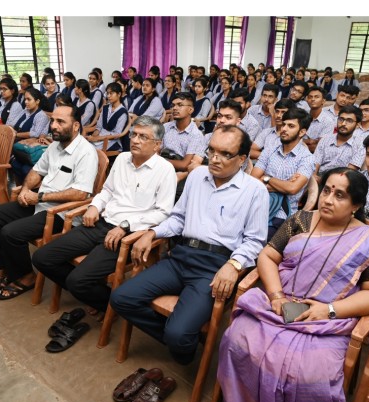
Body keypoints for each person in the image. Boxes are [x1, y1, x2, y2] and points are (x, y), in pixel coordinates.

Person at [217, 166, 369, 402]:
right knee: (235, 341)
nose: (327, 200)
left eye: (340, 196)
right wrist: (276, 296)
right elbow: (268, 256)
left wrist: (328, 310)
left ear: (356, 205)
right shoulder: (300, 220)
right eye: (326, 190)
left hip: (324, 323)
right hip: (276, 308)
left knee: (312, 377)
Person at [110, 125, 269, 365]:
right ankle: (183, 338)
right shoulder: (197, 176)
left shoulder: (255, 190)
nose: (215, 158)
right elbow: (178, 219)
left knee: (178, 334)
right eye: (212, 150)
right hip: (180, 257)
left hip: (214, 269)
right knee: (122, 297)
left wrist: (234, 265)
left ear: (242, 159)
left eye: (225, 154)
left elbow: (255, 241)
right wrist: (152, 232)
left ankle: (180, 339)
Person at [31, 116, 177, 323]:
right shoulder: (122, 158)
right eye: (134, 134)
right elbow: (107, 191)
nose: (135, 140)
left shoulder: (165, 170)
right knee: (42, 258)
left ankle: (110, 303)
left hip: (126, 235)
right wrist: (94, 206)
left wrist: (126, 226)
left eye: (143, 137)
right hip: (100, 223)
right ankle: (98, 295)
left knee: (77, 281)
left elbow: (163, 212)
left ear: (157, 145)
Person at [0, 105, 99, 300]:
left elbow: (80, 193)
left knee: (10, 233)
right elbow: (37, 172)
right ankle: (11, 269)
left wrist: (40, 197)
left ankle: (26, 277)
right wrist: (26, 189)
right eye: (53, 121)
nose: (54, 126)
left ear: (76, 125)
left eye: (61, 122)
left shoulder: (86, 152)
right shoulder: (54, 146)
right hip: (40, 203)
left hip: (61, 213)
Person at [252, 108, 315, 239]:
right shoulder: (270, 150)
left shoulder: (306, 158)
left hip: (281, 216)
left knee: (256, 239)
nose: (284, 129)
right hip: (256, 207)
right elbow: (252, 180)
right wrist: (283, 185)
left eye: (290, 126)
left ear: (302, 132)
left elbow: (292, 189)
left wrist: (267, 178)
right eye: (284, 124)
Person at [10, 87, 52, 183]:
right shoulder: (25, 111)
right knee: (15, 164)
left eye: (29, 99)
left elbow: (35, 134)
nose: (26, 102)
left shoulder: (41, 115)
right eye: (25, 99)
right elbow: (13, 123)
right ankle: (19, 187)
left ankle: (27, 190)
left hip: (28, 144)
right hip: (19, 141)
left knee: (24, 168)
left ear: (37, 101)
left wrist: (16, 134)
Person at [314, 105, 365, 176]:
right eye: (341, 119)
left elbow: (350, 172)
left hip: (343, 181)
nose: (343, 124)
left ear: (357, 125)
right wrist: (314, 178)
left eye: (349, 121)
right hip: (318, 178)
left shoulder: (360, 145)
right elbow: (315, 164)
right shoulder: (325, 139)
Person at [85, 82, 128, 151]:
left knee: (89, 150)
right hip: (100, 137)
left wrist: (97, 138)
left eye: (111, 93)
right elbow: (99, 127)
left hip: (112, 141)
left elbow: (117, 134)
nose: (108, 96)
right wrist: (93, 137)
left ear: (119, 94)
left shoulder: (122, 112)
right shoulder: (105, 108)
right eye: (107, 93)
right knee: (84, 145)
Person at [303, 86, 336, 153]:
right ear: (307, 100)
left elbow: (321, 147)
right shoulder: (302, 116)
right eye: (310, 97)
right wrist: (310, 141)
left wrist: (302, 142)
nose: (312, 99)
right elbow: (293, 140)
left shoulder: (328, 121)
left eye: (316, 97)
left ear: (323, 101)